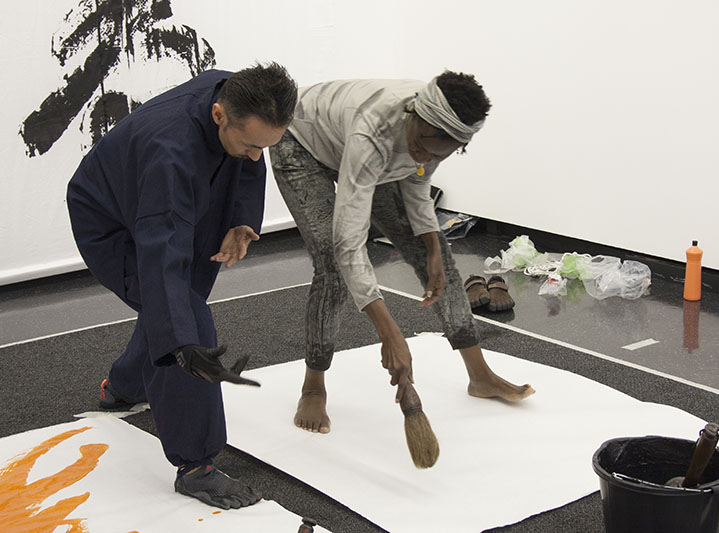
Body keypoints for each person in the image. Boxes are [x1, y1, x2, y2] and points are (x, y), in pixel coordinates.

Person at [66, 63, 298, 509]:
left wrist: (240, 218)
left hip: (191, 191)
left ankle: (123, 386)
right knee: (186, 322)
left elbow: (250, 158)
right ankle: (196, 466)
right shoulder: (168, 153)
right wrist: (184, 345)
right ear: (218, 115)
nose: (258, 156)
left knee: (179, 306)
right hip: (110, 218)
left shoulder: (240, 95)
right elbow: (161, 257)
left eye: (265, 146)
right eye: (251, 145)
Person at [269, 70, 534, 435]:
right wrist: (390, 333)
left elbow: (417, 182)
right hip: (301, 140)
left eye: (439, 152)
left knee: (437, 255)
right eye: (422, 144)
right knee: (332, 264)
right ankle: (313, 386)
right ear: (414, 115)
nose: (425, 155)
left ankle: (480, 375)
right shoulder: (373, 132)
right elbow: (349, 241)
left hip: (363, 147)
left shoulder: (439, 132)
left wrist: (432, 247)